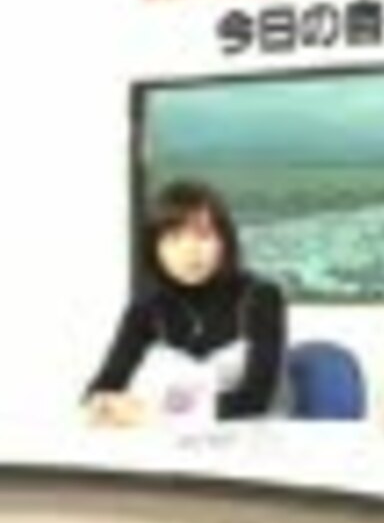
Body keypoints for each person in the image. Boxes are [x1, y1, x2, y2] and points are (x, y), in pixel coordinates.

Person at [83, 180, 286, 427]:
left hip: (252, 439)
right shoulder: (146, 307)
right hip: (170, 443)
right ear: (154, 248)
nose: (190, 250)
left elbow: (256, 399)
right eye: (174, 238)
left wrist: (154, 413)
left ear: (224, 241)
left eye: (203, 237)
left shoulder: (261, 296)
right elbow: (104, 386)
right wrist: (102, 405)